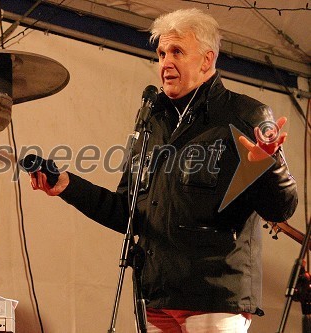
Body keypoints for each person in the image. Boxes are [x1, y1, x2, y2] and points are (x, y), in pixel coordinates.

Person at [29, 8, 298, 333]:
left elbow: (282, 207)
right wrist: (67, 185)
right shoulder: (151, 123)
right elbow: (127, 213)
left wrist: (266, 168)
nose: (165, 63)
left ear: (206, 60)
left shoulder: (247, 116)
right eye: (161, 54)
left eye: (177, 52)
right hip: (156, 297)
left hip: (215, 296)